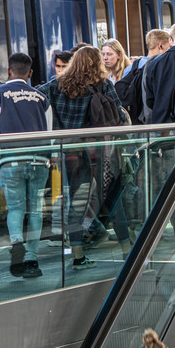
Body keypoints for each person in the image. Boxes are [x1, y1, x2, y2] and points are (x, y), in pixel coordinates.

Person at [40, 46, 126, 268]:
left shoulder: (55, 85)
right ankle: (128, 251)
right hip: (98, 153)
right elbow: (118, 115)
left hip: (68, 153)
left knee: (77, 202)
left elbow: (37, 100)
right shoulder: (103, 85)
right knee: (113, 198)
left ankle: (78, 255)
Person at [0, 52, 52, 279]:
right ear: (30, 74)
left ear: (8, 72)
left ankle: (16, 244)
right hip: (40, 160)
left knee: (15, 209)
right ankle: (32, 259)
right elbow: (50, 132)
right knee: (35, 209)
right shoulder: (41, 96)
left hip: (11, 160)